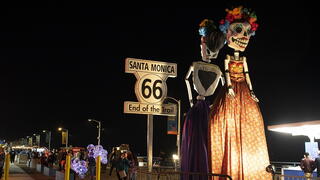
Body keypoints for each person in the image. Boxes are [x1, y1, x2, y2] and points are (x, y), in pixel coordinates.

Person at [208, 6, 271, 180]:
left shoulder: (244, 59)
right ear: (227, 32)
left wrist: (251, 91)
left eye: (248, 32)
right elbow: (226, 73)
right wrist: (228, 87)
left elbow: (247, 75)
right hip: (232, 88)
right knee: (220, 119)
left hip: (243, 88)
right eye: (238, 30)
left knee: (252, 118)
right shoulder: (227, 58)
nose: (245, 36)